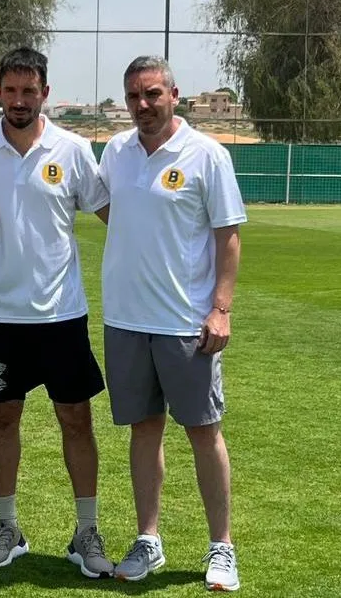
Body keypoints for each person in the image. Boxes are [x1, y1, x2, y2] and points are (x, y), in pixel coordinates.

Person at [0, 47, 115, 579]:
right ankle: (9, 528)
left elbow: (108, 210)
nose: (19, 100)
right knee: (3, 417)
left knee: (76, 418)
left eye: (29, 91)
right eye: (10, 90)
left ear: (45, 92)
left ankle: (86, 531)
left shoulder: (71, 149)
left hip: (61, 314)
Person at [97, 56, 246, 592]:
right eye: (135, 96)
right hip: (126, 320)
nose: (143, 105)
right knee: (143, 429)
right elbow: (111, 210)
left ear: (174, 94)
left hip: (187, 322)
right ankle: (148, 541)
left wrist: (220, 308)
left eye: (153, 94)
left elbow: (228, 236)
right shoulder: (115, 152)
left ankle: (221, 547)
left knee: (204, 431)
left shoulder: (206, 154)